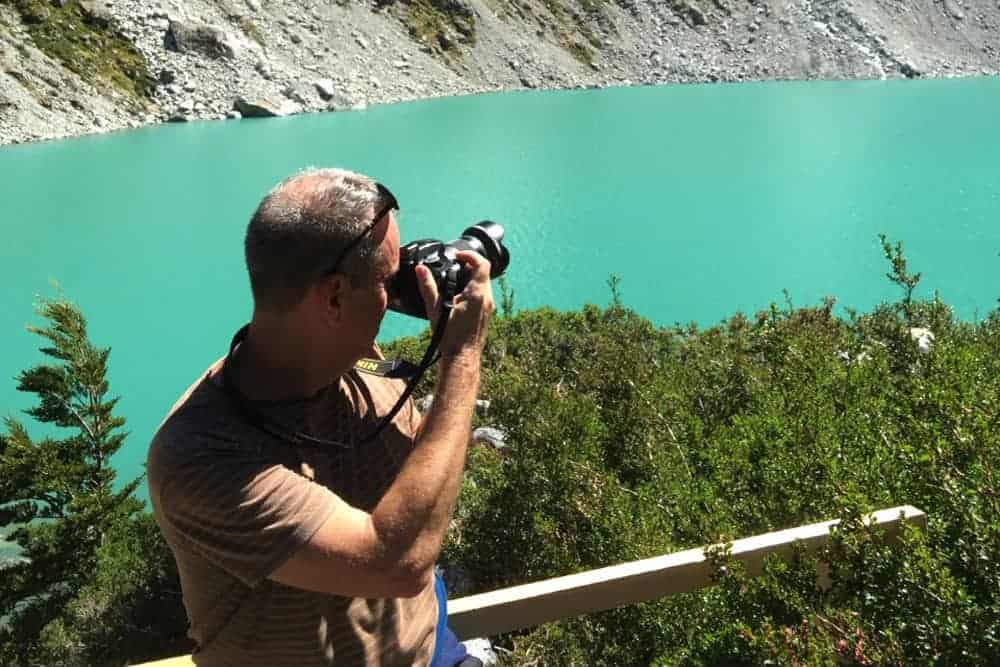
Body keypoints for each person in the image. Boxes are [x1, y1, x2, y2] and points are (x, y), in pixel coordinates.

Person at [147, 167, 494, 666]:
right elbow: (397, 562)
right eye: (387, 278)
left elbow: (423, 486)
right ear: (333, 298)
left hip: (428, 647)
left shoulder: (367, 369)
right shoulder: (203, 457)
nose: (398, 292)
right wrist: (461, 358)